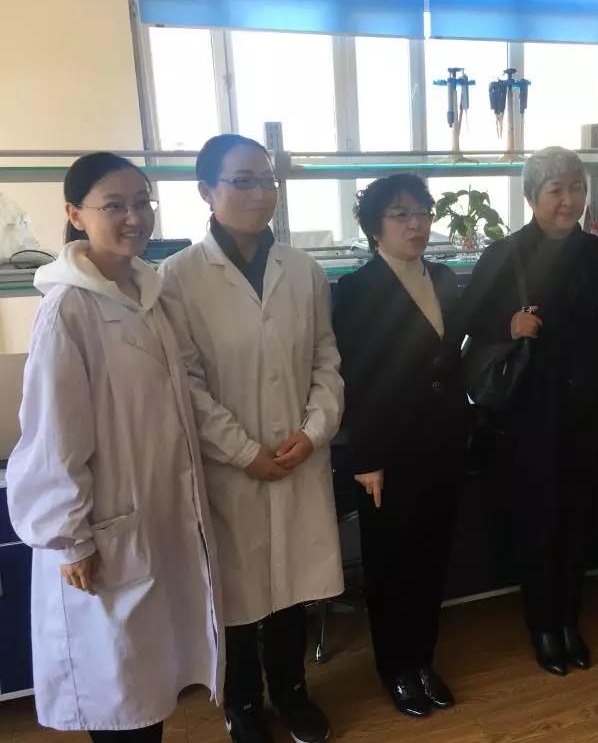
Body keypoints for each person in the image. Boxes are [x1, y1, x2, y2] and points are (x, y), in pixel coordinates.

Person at [5, 153, 223, 742]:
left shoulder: (146, 293)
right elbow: (53, 434)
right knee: (121, 697)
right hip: (100, 533)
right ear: (75, 215)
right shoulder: (68, 308)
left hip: (151, 517)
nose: (134, 216)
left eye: (142, 202)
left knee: (147, 686)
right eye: (115, 205)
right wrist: (70, 537)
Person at [159, 135, 345, 743]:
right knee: (237, 594)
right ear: (206, 191)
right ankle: (241, 702)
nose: (261, 193)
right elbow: (185, 383)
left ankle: (292, 693)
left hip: (297, 456)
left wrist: (312, 433)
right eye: (243, 181)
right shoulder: (177, 278)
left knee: (292, 588)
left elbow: (325, 361)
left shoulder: (304, 270)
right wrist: (244, 451)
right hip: (229, 468)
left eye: (267, 180)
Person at [463, 147, 598, 677]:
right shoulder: (506, 254)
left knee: (577, 518)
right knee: (538, 521)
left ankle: (569, 619)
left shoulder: (595, 253)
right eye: (555, 190)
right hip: (528, 414)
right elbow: (467, 319)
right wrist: (508, 325)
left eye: (576, 188)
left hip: (585, 408)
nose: (568, 200)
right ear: (532, 198)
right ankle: (543, 625)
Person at [331, 174, 468, 717]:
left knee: (432, 558)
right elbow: (355, 379)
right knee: (391, 564)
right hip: (387, 452)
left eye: (423, 213)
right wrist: (366, 457)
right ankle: (395, 668)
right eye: (401, 214)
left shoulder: (444, 277)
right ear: (375, 226)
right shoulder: (356, 289)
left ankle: (423, 659)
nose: (416, 224)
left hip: (443, 441)